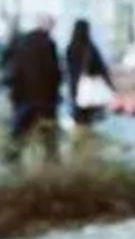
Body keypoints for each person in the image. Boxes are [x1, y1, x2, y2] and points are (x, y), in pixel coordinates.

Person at [3, 14, 61, 164]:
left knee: (18, 133)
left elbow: (12, 67)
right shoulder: (49, 44)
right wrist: (55, 94)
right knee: (48, 136)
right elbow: (54, 72)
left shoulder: (22, 41)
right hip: (45, 99)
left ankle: (12, 161)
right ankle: (52, 164)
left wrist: (14, 92)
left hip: (23, 97)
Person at [65, 19, 114, 126]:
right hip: (89, 88)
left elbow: (68, 69)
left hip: (75, 87)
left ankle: (79, 130)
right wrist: (110, 85)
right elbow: (101, 69)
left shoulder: (70, 48)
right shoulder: (91, 48)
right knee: (89, 117)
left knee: (78, 115)